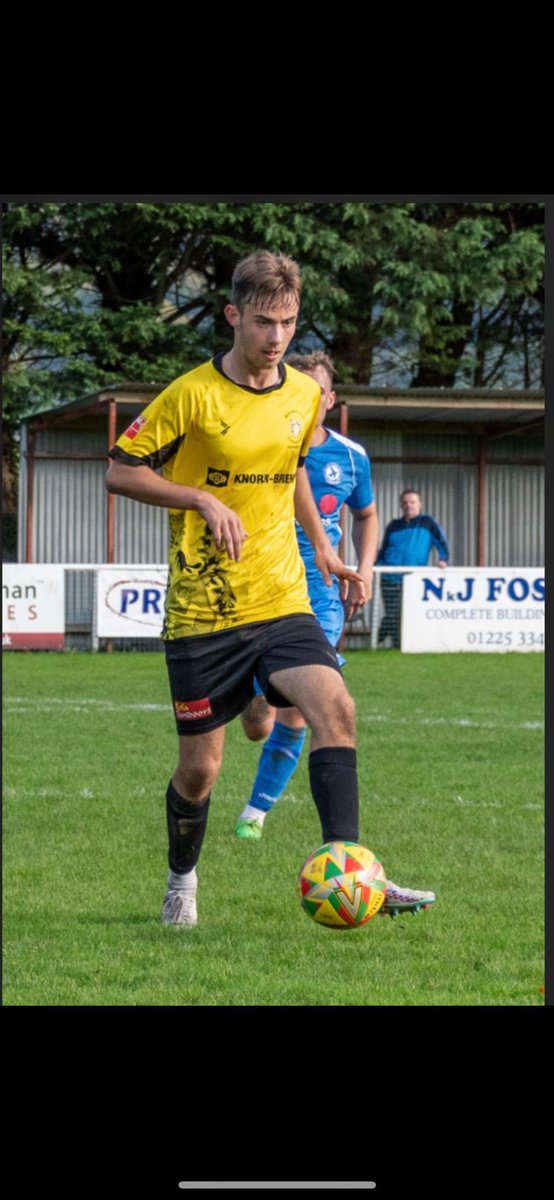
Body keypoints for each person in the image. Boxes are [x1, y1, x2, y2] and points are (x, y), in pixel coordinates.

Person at [106, 250, 435, 926]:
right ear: (233, 316)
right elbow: (119, 471)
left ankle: (351, 869)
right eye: (263, 321)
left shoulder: (304, 395)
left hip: (281, 596)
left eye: (287, 321)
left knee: (335, 706)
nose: (277, 336)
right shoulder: (191, 394)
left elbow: (293, 479)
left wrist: (323, 546)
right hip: (205, 609)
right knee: (201, 771)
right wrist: (199, 499)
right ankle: (181, 879)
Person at [234, 350, 378, 842]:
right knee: (258, 725)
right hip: (264, 586)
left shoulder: (350, 456)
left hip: (319, 599)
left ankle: (255, 813)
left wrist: (363, 569)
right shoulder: (265, 447)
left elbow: (367, 516)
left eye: (317, 392)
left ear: (329, 399)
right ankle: (257, 698)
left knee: (308, 709)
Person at [376, 490, 449, 649]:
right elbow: (384, 548)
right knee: (393, 613)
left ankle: (383, 636)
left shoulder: (428, 523)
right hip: (389, 576)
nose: (409, 505)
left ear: (419, 504)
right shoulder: (393, 526)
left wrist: (443, 558)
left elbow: (442, 542)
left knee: (404, 614)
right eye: (405, 502)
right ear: (401, 505)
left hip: (412, 579)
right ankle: (396, 646)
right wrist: (376, 567)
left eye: (412, 502)